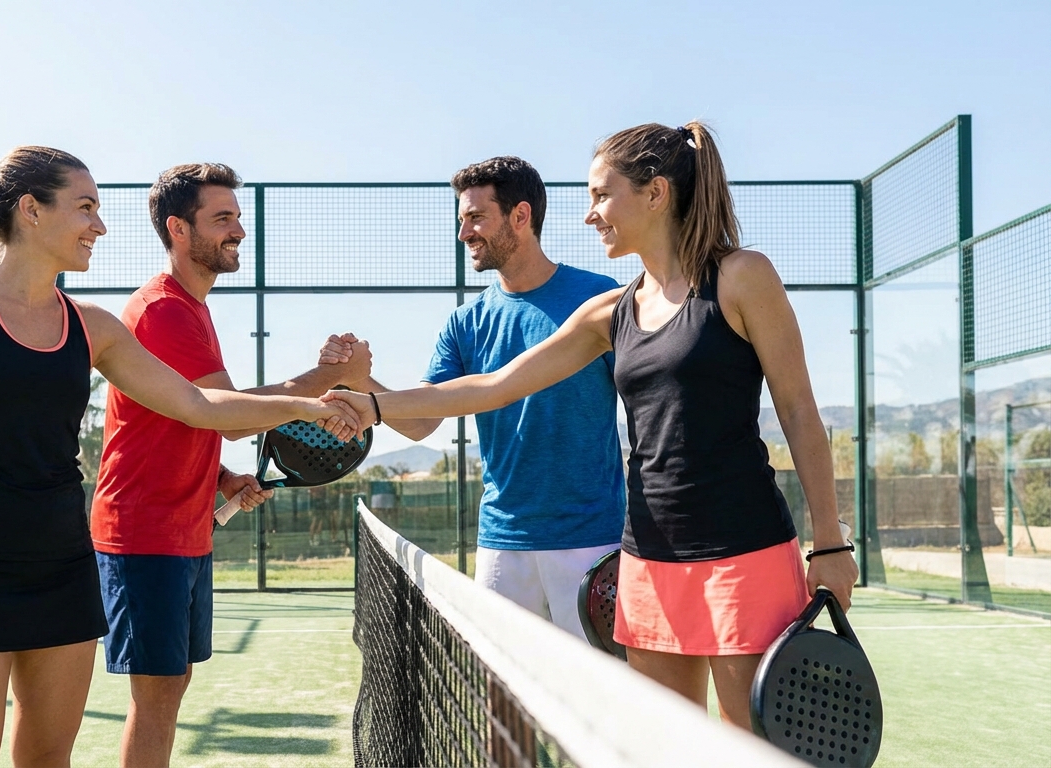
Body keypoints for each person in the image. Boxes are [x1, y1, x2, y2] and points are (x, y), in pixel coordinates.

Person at [0, 147, 362, 768]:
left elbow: (196, 405)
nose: (100, 226)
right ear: (31, 211)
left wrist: (310, 406)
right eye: (85, 208)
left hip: (62, 569)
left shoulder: (93, 325)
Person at [325, 123, 859, 729]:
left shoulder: (742, 277)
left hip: (744, 552)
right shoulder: (609, 312)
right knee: (660, 743)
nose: (590, 215)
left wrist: (831, 543)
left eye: (602, 196)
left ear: (655, 193)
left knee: (749, 746)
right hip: (647, 559)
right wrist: (372, 404)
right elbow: (496, 385)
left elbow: (798, 413)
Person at [88, 162, 372, 768]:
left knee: (172, 685)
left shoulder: (193, 309)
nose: (238, 230)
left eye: (238, 218)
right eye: (223, 219)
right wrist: (329, 380)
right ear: (179, 229)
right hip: (144, 534)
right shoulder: (163, 310)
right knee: (158, 695)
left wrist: (219, 480)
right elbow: (233, 416)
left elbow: (180, 417)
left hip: (183, 532)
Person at [320, 156, 625, 638]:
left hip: (592, 540)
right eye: (461, 220)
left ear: (520, 216)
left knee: (597, 700)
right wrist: (363, 383)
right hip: (502, 543)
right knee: (500, 705)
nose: (464, 233)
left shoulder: (599, 298)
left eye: (476, 217)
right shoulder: (466, 322)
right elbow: (421, 419)